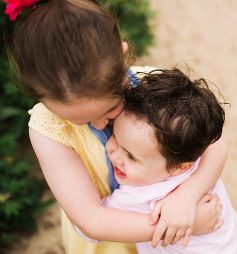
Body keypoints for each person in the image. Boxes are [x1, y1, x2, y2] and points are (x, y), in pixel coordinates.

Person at [9, 0, 225, 252]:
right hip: (111, 241)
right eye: (79, 120)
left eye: (110, 109)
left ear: (122, 58)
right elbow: (92, 219)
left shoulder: (149, 83)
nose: (100, 124)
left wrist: (188, 197)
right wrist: (183, 225)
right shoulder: (47, 130)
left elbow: (214, 144)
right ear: (39, 97)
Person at [75, 69, 237, 253]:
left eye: (131, 156)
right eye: (114, 136)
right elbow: (216, 146)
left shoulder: (135, 199)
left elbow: (86, 228)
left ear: (180, 167)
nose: (113, 154)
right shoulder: (191, 151)